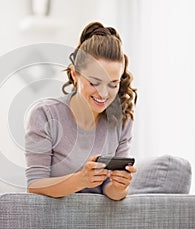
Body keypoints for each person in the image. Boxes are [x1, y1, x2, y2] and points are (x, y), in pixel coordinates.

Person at [24, 22, 137, 200]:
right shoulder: (45, 115)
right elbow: (35, 185)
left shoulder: (122, 121)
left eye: (113, 84)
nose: (103, 93)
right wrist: (80, 180)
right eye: (94, 82)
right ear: (75, 75)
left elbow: (112, 192)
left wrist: (119, 187)